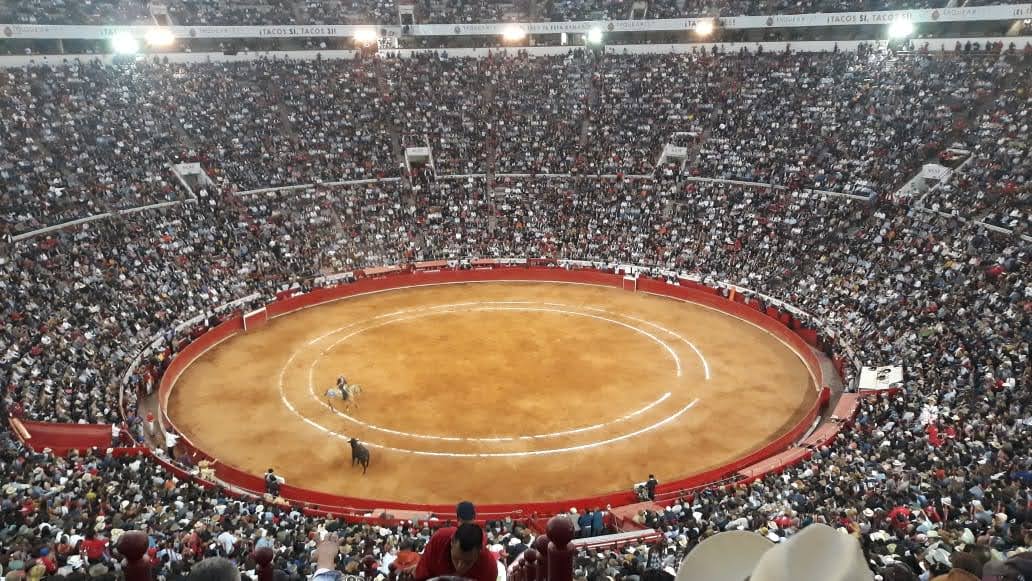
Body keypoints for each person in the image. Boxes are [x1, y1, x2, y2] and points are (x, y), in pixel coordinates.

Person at [412, 523, 497, 581]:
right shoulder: (438, 541)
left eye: (468, 562)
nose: (460, 567)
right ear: (452, 542)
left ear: (479, 552)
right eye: (456, 559)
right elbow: (421, 576)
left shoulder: (489, 566)